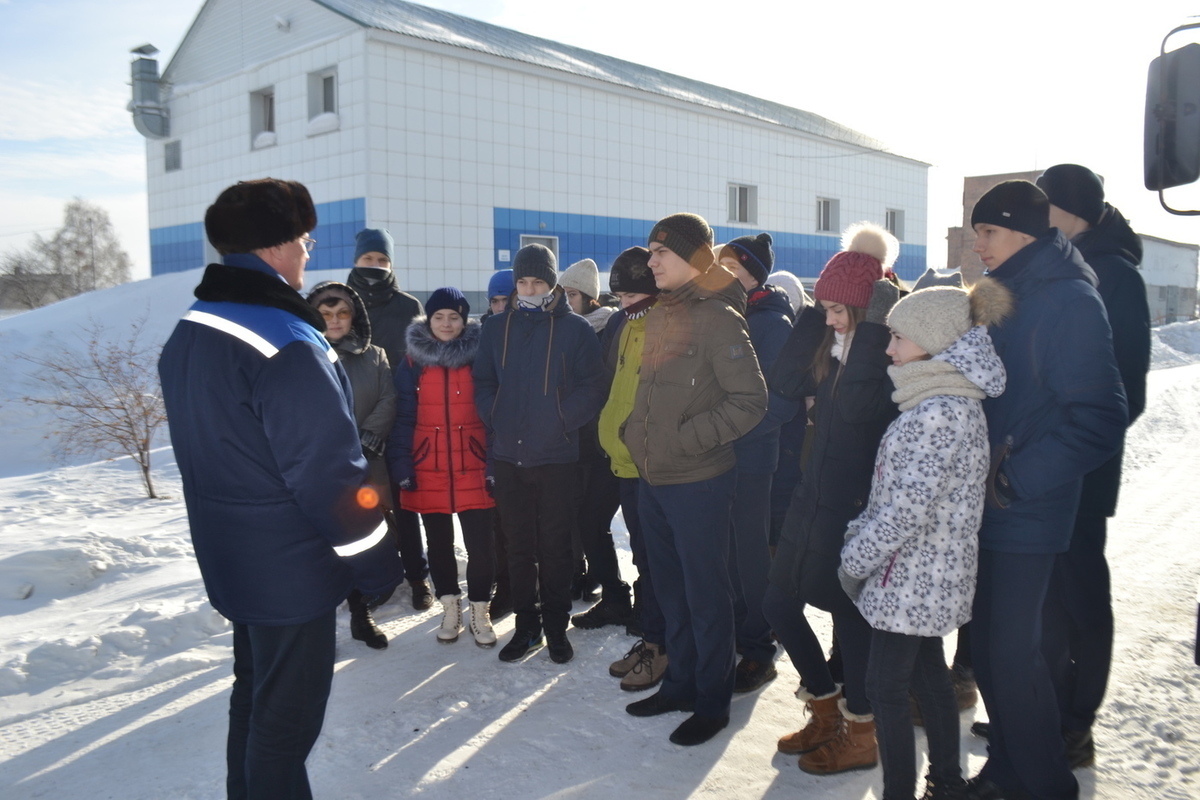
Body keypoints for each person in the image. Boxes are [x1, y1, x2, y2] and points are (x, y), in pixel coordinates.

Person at [159, 179, 401, 799]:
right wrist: (376, 564)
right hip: (289, 570)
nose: (307, 250)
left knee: (256, 698)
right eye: (302, 238)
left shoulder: (194, 326)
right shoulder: (286, 342)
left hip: (234, 556)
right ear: (274, 247)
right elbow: (329, 474)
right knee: (286, 726)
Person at [964, 180, 1127, 800]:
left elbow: (1101, 416)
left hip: (1025, 506)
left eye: (989, 232)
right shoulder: (1005, 292)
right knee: (991, 650)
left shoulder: (1066, 299)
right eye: (977, 231)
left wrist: (1012, 478)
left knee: (1013, 655)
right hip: (988, 503)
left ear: (1025, 233)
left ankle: (1047, 785)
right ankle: (1007, 769)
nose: (979, 245)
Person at [838, 280, 1010, 800]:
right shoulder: (947, 402)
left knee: (885, 688)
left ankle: (901, 792)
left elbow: (902, 512)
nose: (888, 348)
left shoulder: (937, 412)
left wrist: (853, 559)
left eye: (897, 337)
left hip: (909, 579)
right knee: (930, 677)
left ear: (932, 341)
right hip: (926, 578)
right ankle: (948, 781)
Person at [622, 213, 768, 747]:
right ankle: (680, 684)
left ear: (694, 259)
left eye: (662, 252)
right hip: (654, 479)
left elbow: (751, 402)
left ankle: (712, 702)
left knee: (707, 596)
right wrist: (633, 434)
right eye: (651, 251)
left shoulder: (718, 318)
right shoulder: (662, 313)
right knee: (671, 592)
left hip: (699, 482)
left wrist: (684, 440)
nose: (651, 261)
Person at [765, 222, 901, 775]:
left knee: (848, 616)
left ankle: (863, 730)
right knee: (777, 602)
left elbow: (853, 412)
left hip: (853, 507)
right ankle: (824, 709)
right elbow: (785, 380)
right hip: (810, 494)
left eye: (841, 309)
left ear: (868, 312)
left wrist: (868, 326)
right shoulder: (832, 346)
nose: (831, 319)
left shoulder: (880, 357)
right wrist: (817, 315)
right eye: (824, 307)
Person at [1035, 164, 1151, 769]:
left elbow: (1125, 391)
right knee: (1050, 601)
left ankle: (1076, 724)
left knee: (1081, 599)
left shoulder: (1113, 276)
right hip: (1050, 472)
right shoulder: (1071, 266)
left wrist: (1060, 450)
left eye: (1042, 205)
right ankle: (1046, 712)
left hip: (1080, 471)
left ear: (1067, 209)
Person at [472, 244, 607, 664]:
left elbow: (594, 387)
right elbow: (483, 381)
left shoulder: (576, 330)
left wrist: (562, 418)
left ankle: (555, 625)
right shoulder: (496, 328)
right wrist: (496, 415)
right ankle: (527, 627)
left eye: (538, 281)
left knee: (555, 548)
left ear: (553, 285)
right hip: (509, 457)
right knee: (518, 546)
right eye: (523, 282)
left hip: (556, 458)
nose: (530, 289)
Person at [390, 287, 498, 648]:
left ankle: (480, 610)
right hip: (428, 464)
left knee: (482, 545)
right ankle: (450, 607)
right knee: (438, 543)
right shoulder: (412, 362)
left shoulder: (481, 356)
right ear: (428, 319)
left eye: (454, 316)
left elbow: (493, 415)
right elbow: (403, 417)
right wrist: (404, 463)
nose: (447, 323)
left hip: (473, 461)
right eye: (440, 316)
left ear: (465, 320)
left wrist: (493, 462)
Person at [716, 234, 799, 693]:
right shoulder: (724, 314)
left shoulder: (770, 322)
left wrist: (725, 427)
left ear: (752, 273)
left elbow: (780, 402)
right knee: (724, 552)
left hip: (751, 457)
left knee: (750, 556)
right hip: (716, 454)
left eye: (729, 264)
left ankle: (759, 649)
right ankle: (730, 632)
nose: (720, 271)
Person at [306, 281, 397, 650]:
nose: (335, 320)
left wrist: (365, 439)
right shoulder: (300, 354)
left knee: (360, 541)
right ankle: (320, 627)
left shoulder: (373, 356)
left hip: (364, 466)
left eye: (342, 313)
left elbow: (389, 399)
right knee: (320, 548)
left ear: (354, 315)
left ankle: (362, 616)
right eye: (326, 314)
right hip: (317, 469)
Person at [346, 227, 432, 612]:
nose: (376, 266)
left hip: (397, 421)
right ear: (356, 260)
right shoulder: (338, 304)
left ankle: (416, 575)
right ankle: (371, 577)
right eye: (369, 259)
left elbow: (420, 365)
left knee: (404, 502)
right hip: (347, 425)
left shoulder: (407, 306)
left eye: (382, 260)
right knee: (357, 508)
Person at [596, 246, 670, 691]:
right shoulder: (628, 324)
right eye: (618, 297)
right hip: (623, 460)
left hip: (650, 463)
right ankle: (651, 636)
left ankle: (662, 646)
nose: (622, 305)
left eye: (629, 296)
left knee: (658, 560)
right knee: (643, 557)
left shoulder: (662, 323)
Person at [559, 256, 633, 628]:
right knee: (585, 520)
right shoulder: (565, 329)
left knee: (624, 528)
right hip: (584, 444)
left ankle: (633, 600)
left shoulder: (610, 327)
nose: (565, 300)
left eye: (571, 294)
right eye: (562, 293)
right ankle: (611, 592)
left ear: (590, 298)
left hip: (614, 444)